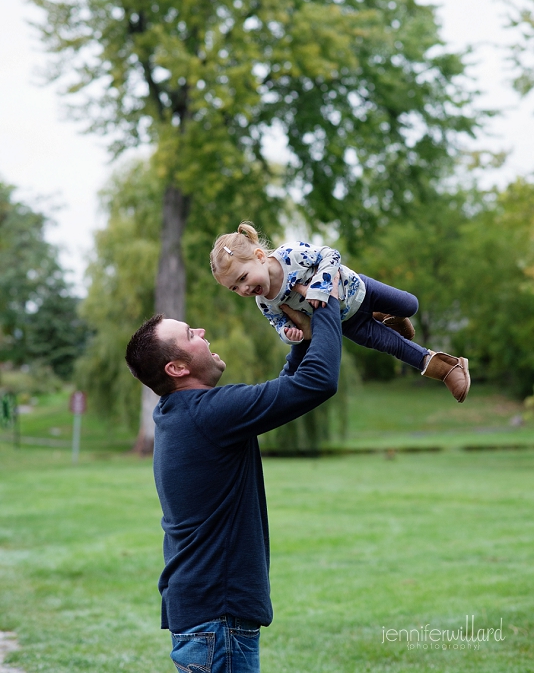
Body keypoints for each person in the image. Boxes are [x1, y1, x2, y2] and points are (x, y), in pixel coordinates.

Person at [125, 276, 342, 673]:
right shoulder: (210, 414)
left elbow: (286, 390)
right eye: (191, 334)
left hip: (206, 616)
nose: (202, 332)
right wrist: (326, 300)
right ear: (176, 367)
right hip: (217, 620)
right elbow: (318, 383)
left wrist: (302, 342)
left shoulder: (180, 414)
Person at [210, 222, 470, 403]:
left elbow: (330, 255)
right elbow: (278, 323)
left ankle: (388, 316)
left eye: (243, 278)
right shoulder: (265, 302)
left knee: (410, 305)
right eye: (235, 288)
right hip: (346, 322)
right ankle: (449, 369)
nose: (244, 289)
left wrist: (320, 288)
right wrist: (290, 334)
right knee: (393, 345)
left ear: (259, 256)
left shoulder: (290, 255)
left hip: (359, 289)